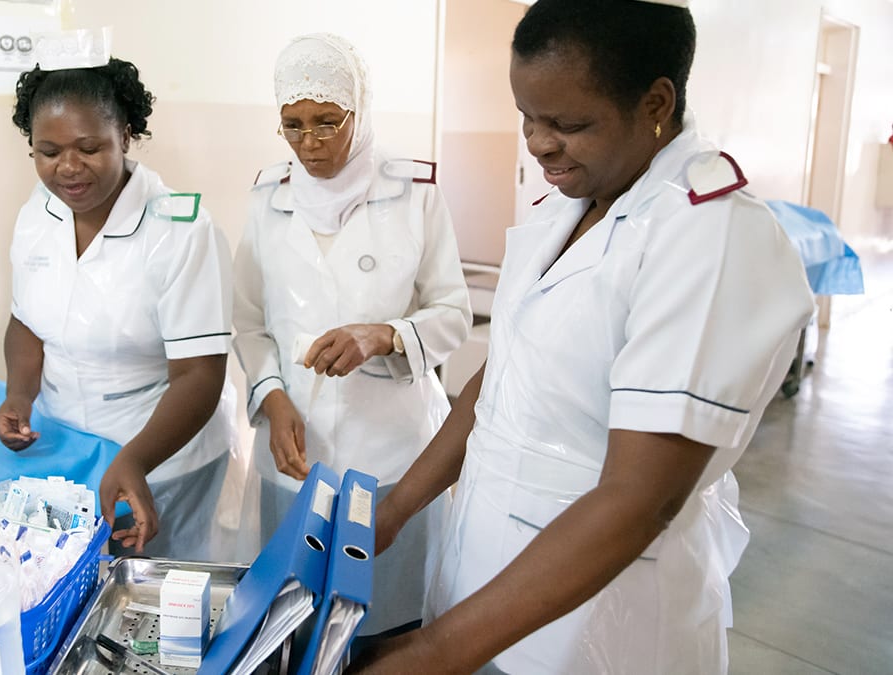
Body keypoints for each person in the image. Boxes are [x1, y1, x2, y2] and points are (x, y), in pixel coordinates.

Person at [349, 1, 815, 672]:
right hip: (485, 585)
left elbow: (640, 496)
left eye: (568, 123)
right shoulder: (567, 206)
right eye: (527, 119)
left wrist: (432, 650)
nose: (538, 143)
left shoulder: (709, 234)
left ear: (656, 101)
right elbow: (502, 380)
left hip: (602, 616)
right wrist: (395, 508)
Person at [233, 33, 472, 638]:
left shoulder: (415, 194)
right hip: (294, 451)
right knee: (294, 620)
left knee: (386, 622)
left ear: (358, 112)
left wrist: (385, 336)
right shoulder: (268, 198)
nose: (309, 143)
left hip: (392, 453)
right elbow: (249, 320)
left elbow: (453, 314)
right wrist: (271, 395)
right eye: (293, 125)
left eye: (326, 122)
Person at [0, 56, 236, 561]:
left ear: (124, 136)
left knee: (158, 604)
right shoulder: (36, 214)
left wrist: (136, 459)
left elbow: (199, 374)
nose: (68, 167)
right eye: (49, 151)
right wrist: (19, 395)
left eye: (89, 148)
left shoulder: (182, 231)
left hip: (164, 457)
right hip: (67, 449)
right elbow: (26, 321)